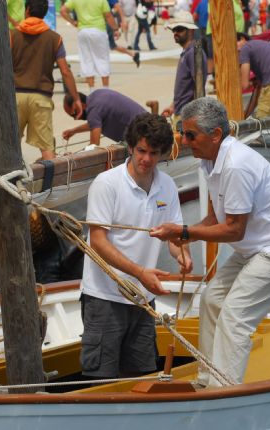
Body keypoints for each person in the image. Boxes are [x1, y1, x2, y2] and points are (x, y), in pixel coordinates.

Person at [150, 98, 270, 387]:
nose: (185, 141)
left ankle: (225, 390)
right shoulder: (209, 161)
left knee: (235, 316)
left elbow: (234, 230)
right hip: (257, 245)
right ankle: (207, 379)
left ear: (215, 135)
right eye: (182, 133)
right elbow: (215, 219)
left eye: (191, 135)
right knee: (212, 298)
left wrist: (186, 232)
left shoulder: (236, 166)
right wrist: (181, 233)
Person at [80, 113, 192, 379]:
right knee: (101, 380)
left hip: (143, 300)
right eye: (141, 150)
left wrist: (183, 254)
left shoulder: (167, 186)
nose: (146, 159)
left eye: (154, 153)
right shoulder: (106, 184)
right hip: (104, 298)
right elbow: (97, 241)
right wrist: (139, 272)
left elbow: (173, 237)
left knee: (141, 377)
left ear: (163, 153)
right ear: (130, 147)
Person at [11, 0, 83, 160]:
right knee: (47, 149)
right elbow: (65, 71)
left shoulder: (12, 35)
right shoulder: (54, 38)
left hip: (15, 97)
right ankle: (51, 183)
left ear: (27, 10)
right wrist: (76, 98)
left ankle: (8, 183)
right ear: (44, 14)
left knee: (10, 146)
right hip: (41, 98)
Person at [61, 0, 119, 92]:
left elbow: (63, 10)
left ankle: (91, 89)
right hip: (98, 31)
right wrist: (115, 29)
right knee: (102, 59)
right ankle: (105, 89)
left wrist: (73, 22)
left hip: (83, 31)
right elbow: (108, 16)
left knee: (86, 59)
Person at [161, 12, 207, 122]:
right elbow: (185, 87)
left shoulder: (194, 53)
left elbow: (199, 89)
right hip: (181, 113)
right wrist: (173, 106)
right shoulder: (187, 52)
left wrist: (194, 118)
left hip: (187, 116)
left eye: (180, 29)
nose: (176, 33)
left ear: (191, 31)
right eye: (174, 30)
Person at [62, 88, 147, 146]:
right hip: (149, 124)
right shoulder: (97, 95)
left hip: (142, 137)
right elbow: (96, 123)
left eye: (74, 114)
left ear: (82, 105)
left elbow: (94, 146)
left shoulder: (93, 111)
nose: (76, 118)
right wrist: (73, 131)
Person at [106, 0, 141, 68]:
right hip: (106, 22)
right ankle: (133, 54)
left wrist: (121, 21)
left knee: (101, 45)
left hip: (105, 23)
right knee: (113, 46)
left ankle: (101, 66)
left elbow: (118, 7)